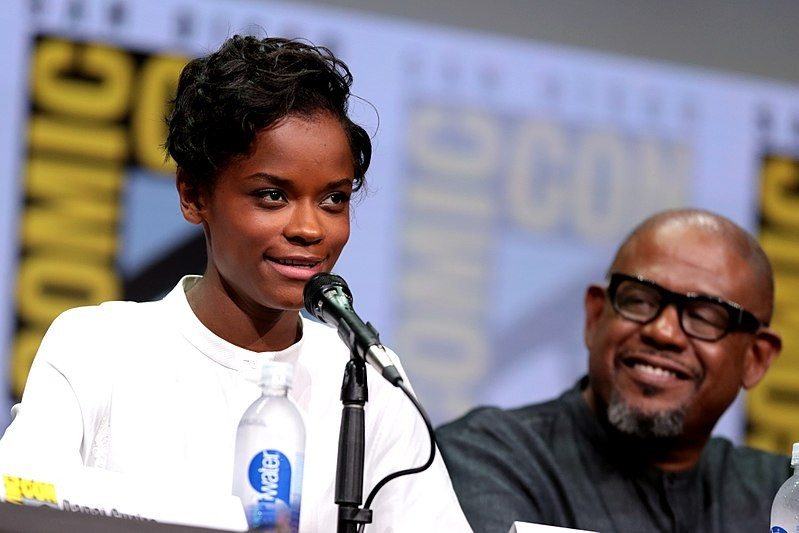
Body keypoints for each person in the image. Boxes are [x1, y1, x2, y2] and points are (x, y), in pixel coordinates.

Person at [0, 34, 471, 532]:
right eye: (272, 195)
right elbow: (19, 506)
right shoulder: (99, 345)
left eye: (333, 199)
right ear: (193, 195)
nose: (309, 228)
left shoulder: (369, 375)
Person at [436, 208, 789, 533]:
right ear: (594, 317)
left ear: (755, 359)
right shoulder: (486, 457)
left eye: (704, 317)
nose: (663, 332)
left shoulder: (782, 495)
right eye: (639, 300)